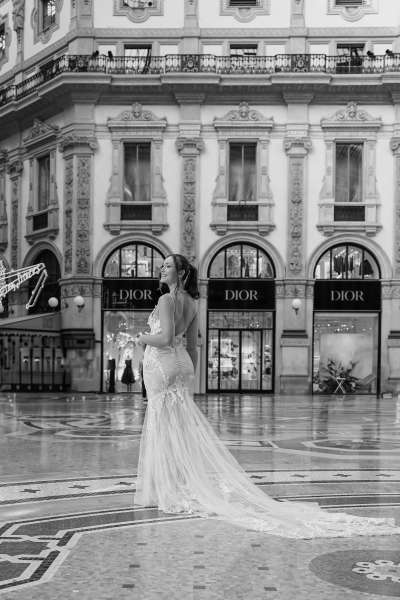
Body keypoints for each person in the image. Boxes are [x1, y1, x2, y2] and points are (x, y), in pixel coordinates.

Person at [133, 253, 400, 539]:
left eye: (168, 266)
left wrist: (141, 338)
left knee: (162, 423)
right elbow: (192, 346)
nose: (162, 269)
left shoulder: (166, 299)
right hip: (180, 364)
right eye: (162, 265)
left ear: (182, 273)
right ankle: (174, 483)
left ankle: (162, 487)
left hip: (162, 362)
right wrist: (190, 374)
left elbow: (164, 338)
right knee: (178, 426)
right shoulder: (192, 303)